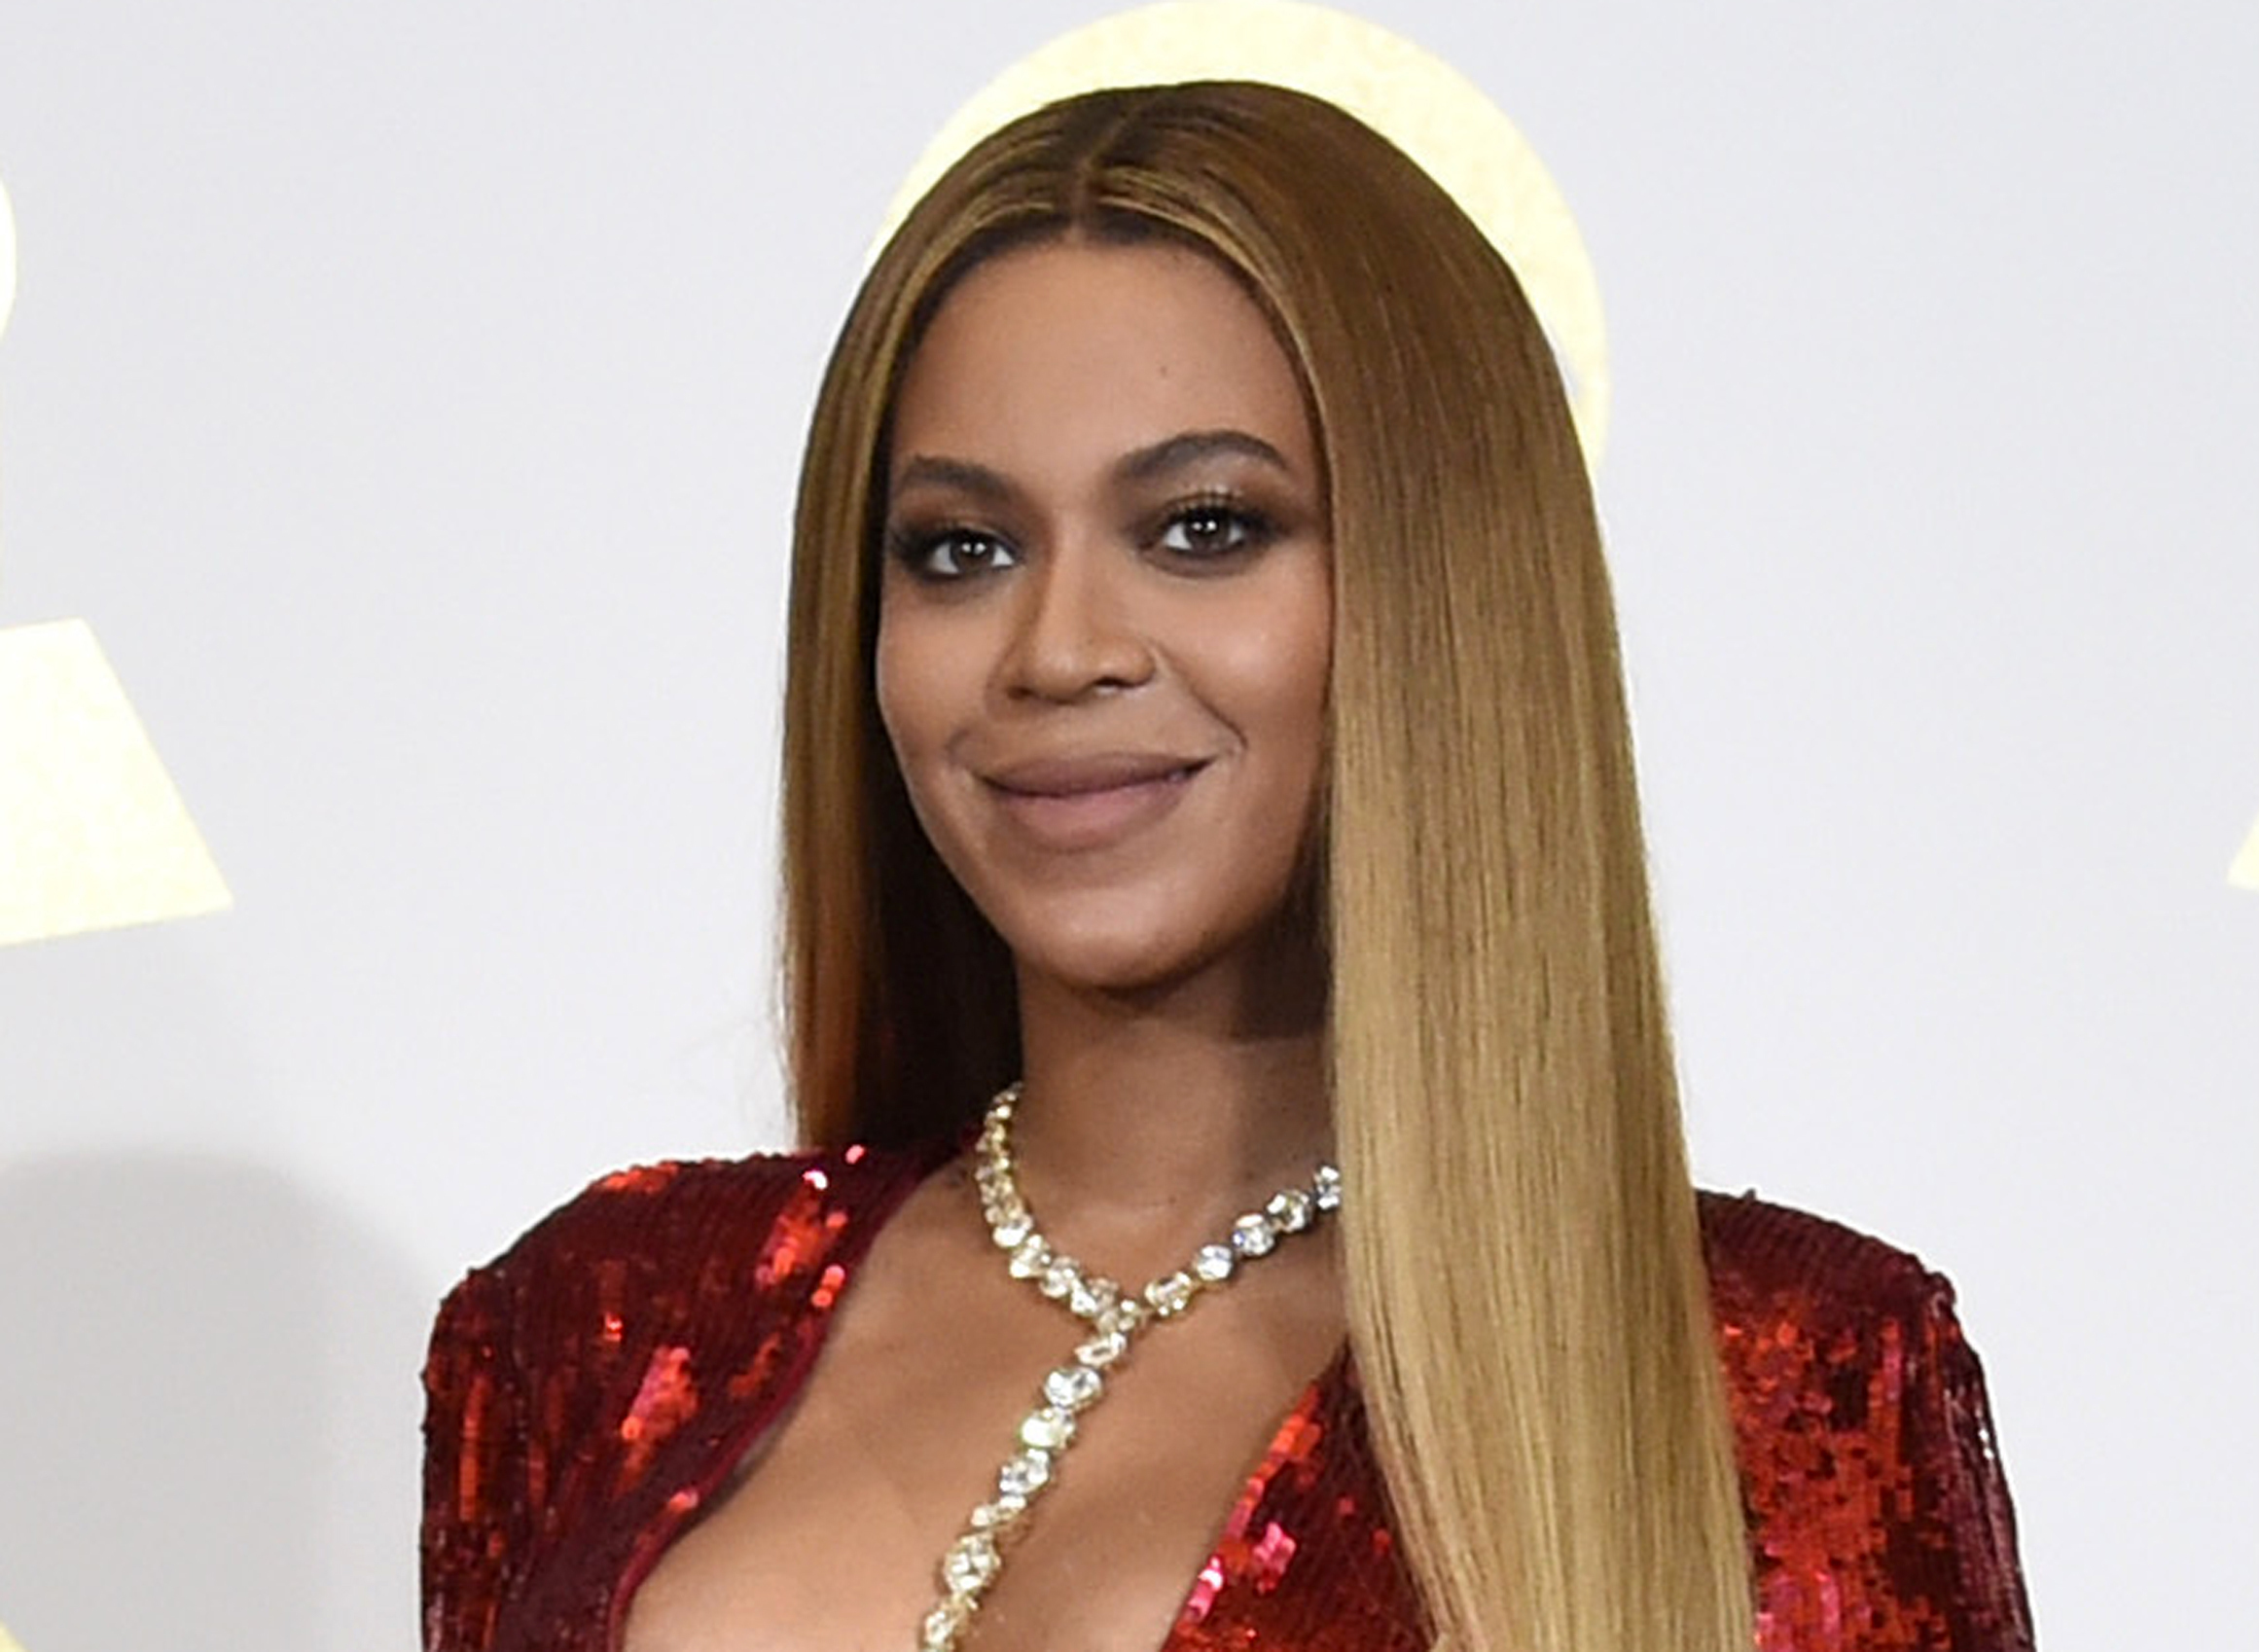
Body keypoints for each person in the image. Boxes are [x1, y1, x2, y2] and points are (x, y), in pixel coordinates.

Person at [422, 81, 2033, 1652]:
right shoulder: (593, 1329)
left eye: (1203, 526)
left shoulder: (1780, 1381)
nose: (1056, 650)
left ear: (1436, 594)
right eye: (961, 548)